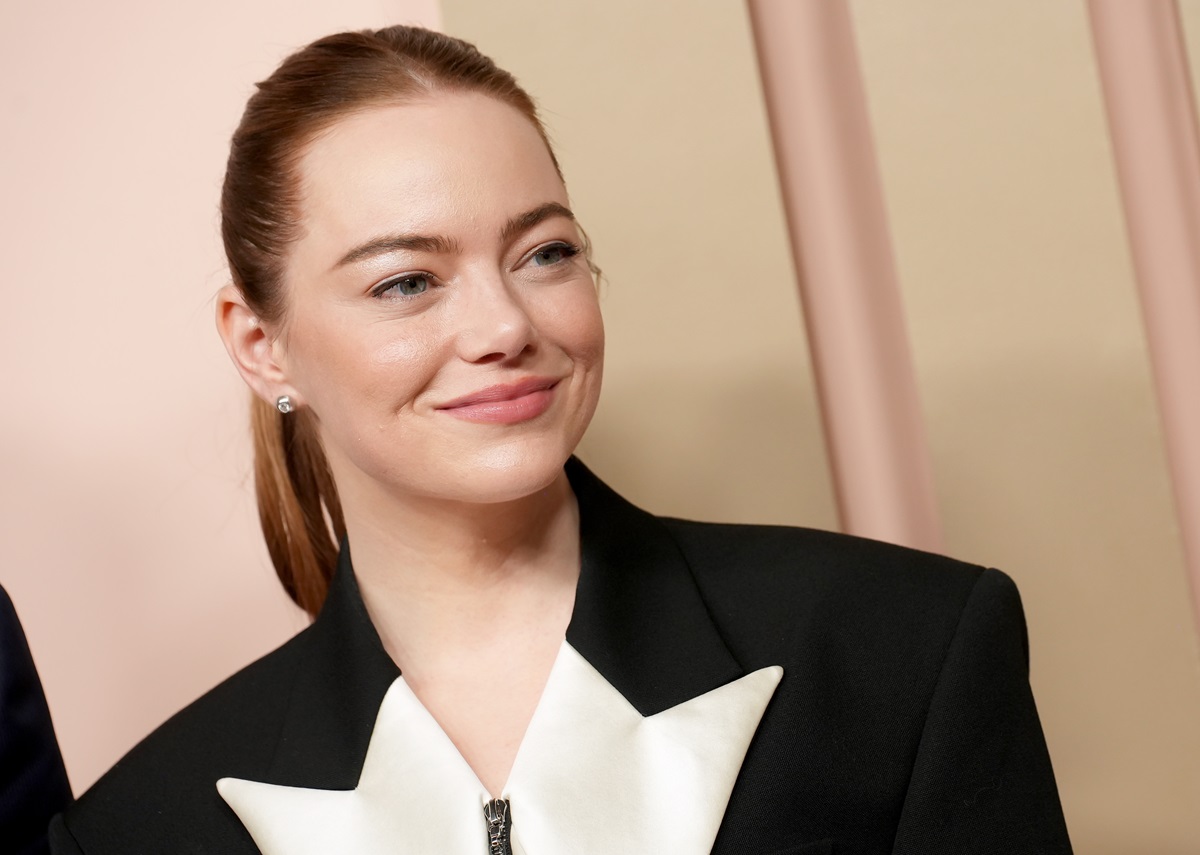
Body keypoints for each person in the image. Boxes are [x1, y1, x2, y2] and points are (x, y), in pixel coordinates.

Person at [49, 25, 1072, 854]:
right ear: (261, 346)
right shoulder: (138, 829)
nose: (505, 327)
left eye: (543, 253)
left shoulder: (903, 649)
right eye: (407, 280)